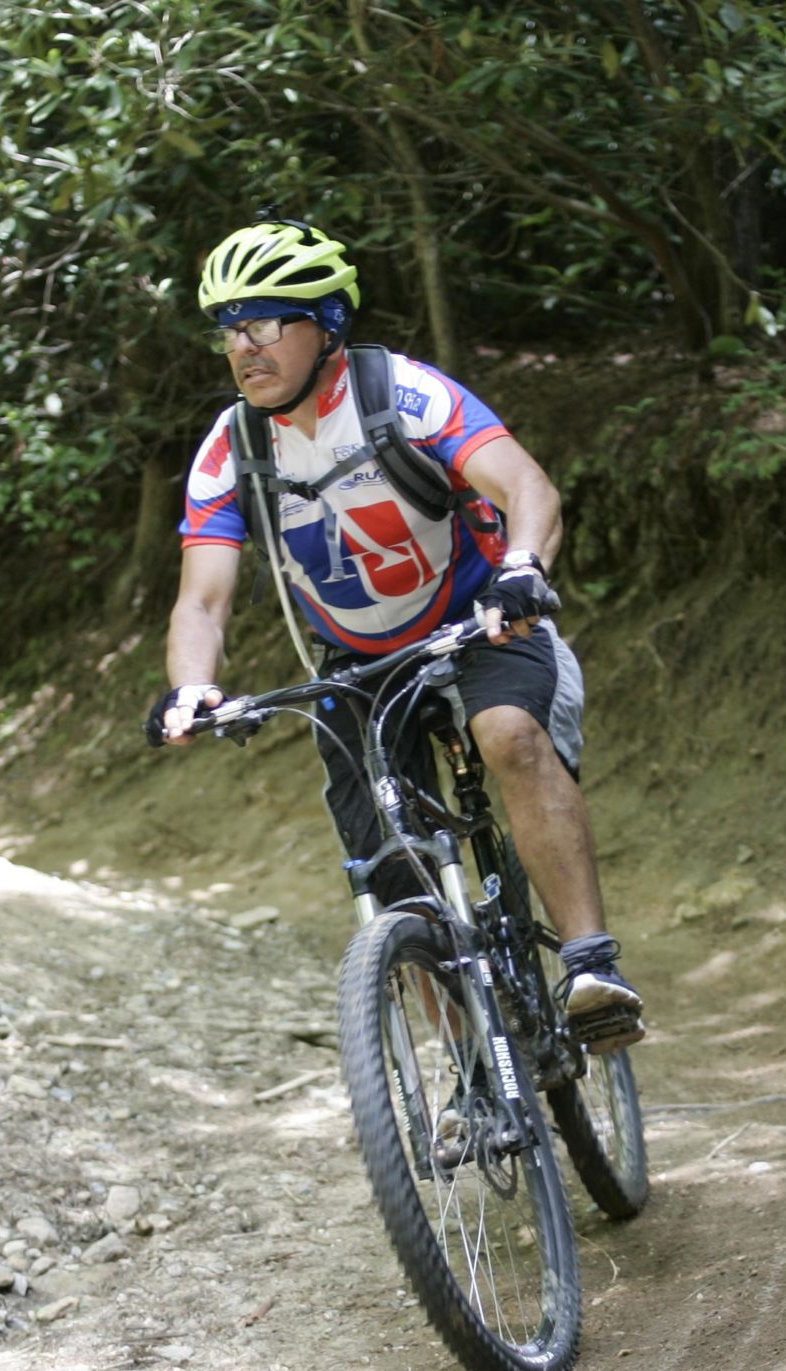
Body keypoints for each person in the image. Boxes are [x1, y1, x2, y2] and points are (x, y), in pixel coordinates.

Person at [142, 219, 644, 1049]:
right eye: (230, 330)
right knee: (388, 867)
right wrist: (194, 687)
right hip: (357, 662)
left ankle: (592, 966)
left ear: (326, 324)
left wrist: (525, 565)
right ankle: (467, 1066)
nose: (245, 348)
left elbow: (527, 485)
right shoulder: (229, 451)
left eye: (265, 323)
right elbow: (202, 601)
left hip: (483, 615)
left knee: (508, 735)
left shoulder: (403, 395)